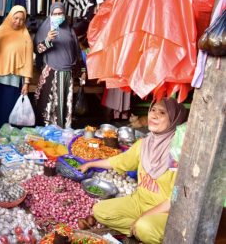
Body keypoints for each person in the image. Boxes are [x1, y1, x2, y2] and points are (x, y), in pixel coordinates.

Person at [79, 98, 187, 244]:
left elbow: (174, 201)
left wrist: (145, 217)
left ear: (175, 118)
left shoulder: (178, 152)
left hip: (166, 212)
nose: (154, 115)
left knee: (145, 227)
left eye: (162, 113)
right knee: (100, 210)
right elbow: (120, 161)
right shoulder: (144, 143)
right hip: (139, 202)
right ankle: (138, 231)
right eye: (153, 110)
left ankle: (144, 230)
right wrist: (91, 164)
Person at [34, 2, 86, 128]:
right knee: (48, 104)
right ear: (50, 14)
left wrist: (83, 70)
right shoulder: (45, 28)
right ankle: (47, 131)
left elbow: (77, 52)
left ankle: (62, 130)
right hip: (51, 71)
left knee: (64, 104)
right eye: (55, 14)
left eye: (60, 13)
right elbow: (37, 50)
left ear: (64, 14)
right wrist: (47, 40)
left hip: (67, 73)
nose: (58, 16)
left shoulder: (70, 30)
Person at [0, 5, 33, 129]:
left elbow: (28, 61)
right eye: (15, 18)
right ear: (10, 16)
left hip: (13, 80)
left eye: (21, 19)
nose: (18, 22)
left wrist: (26, 82)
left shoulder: (26, 37)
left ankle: (7, 137)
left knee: (8, 109)